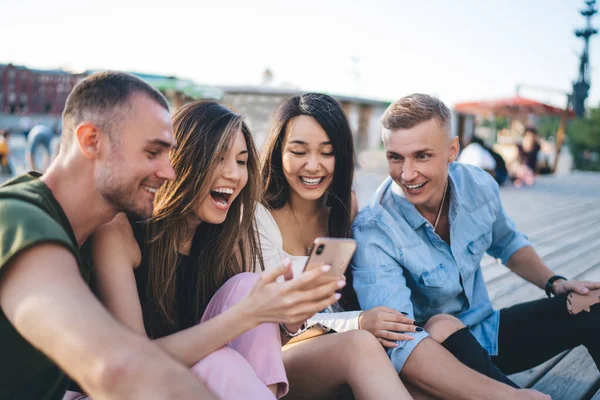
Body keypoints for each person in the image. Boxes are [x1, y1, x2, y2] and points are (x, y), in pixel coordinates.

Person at [85, 100, 342, 400]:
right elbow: (134, 365)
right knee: (221, 361)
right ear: (183, 159)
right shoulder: (120, 232)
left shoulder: (225, 237)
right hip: (116, 391)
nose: (234, 174)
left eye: (242, 161)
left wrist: (291, 319)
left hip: (190, 386)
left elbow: (251, 346)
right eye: (219, 158)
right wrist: (248, 315)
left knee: (248, 289)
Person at [352, 93, 600, 399]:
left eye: (422, 156)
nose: (407, 173)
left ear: (452, 150)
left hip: (487, 332)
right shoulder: (373, 230)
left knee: (595, 300)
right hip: (437, 359)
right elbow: (401, 343)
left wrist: (555, 282)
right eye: (396, 157)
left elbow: (507, 242)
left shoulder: (478, 185)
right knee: (441, 326)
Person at [0, 72, 217, 399]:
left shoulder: (90, 236)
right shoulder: (19, 219)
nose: (170, 172)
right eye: (152, 152)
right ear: (91, 141)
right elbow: (114, 368)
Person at [257, 93, 417, 399]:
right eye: (299, 151)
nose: (313, 166)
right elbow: (274, 320)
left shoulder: (341, 208)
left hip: (329, 345)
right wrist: (358, 322)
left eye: (327, 153)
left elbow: (323, 302)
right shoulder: (257, 215)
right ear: (279, 151)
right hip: (275, 359)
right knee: (360, 345)